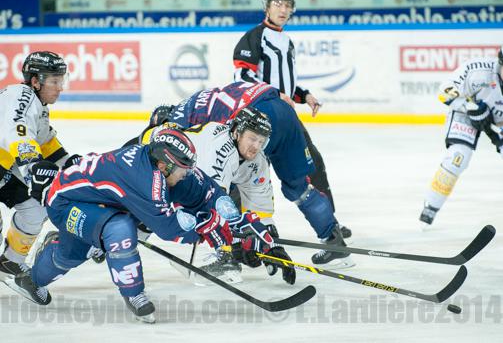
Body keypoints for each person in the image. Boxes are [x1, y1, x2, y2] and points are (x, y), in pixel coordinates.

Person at [6, 128, 287, 323]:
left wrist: (237, 223)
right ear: (164, 165)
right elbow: (167, 227)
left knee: (76, 251)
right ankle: (134, 294)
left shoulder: (164, 167)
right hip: (64, 202)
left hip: (103, 200)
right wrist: (208, 229)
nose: (186, 173)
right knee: (118, 231)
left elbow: (207, 191)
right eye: (182, 169)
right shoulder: (144, 179)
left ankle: (32, 276)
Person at [149, 81, 354, 268]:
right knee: (298, 187)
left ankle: (231, 253)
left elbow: (166, 153)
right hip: (281, 110)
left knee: (228, 184)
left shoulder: (176, 121)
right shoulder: (201, 99)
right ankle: (333, 240)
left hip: (254, 117)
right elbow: (267, 90)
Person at [232, 0, 352, 240]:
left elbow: (283, 83)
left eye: (288, 5)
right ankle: (236, 233)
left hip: (285, 116)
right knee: (241, 171)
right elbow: (242, 77)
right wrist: (275, 93)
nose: (283, 9)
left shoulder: (286, 40)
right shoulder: (255, 37)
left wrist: (304, 95)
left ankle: (331, 225)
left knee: (314, 165)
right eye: (278, 3)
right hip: (260, 116)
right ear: (267, 6)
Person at [140, 107, 295, 283]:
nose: (256, 147)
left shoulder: (257, 162)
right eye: (252, 139)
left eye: (262, 141)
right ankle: (128, 233)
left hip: (188, 174)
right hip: (159, 161)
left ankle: (226, 253)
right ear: (237, 132)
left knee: (224, 208)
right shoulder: (221, 148)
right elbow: (211, 204)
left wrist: (272, 246)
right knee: (156, 203)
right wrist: (233, 243)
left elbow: (260, 210)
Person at [0, 51, 77, 280]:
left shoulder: (39, 106)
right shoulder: (22, 95)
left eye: (61, 80)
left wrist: (71, 165)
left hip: (4, 168)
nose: (60, 87)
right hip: (6, 165)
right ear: (35, 81)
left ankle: (10, 262)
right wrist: (33, 166)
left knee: (35, 210)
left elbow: (46, 143)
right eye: (54, 81)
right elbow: (16, 130)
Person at [419, 48, 503, 227]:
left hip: (498, 122)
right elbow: (444, 91)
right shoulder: (478, 70)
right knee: (458, 157)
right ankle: (430, 207)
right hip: (466, 112)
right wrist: (470, 107)